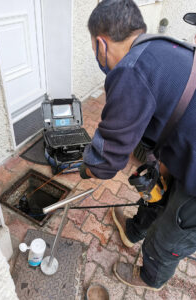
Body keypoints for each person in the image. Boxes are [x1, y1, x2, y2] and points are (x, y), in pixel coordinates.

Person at [79, 0, 196, 291]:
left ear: (101, 44)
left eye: (94, 47)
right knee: (158, 191)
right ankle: (133, 231)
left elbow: (107, 162)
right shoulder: (166, 47)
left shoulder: (131, 70)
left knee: (170, 234)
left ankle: (150, 279)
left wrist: (83, 169)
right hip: (187, 149)